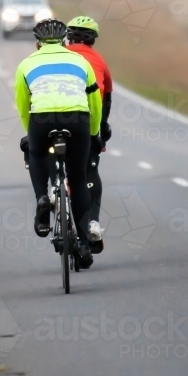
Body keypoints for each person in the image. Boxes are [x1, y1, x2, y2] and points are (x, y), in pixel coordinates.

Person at [15, 18, 102, 270]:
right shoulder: (81, 61)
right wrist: (94, 130)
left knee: (38, 155)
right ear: (65, 41)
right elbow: (94, 100)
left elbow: (23, 104)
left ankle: (43, 198)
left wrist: (30, 134)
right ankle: (84, 246)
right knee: (77, 178)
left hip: (41, 120)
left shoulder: (26, 64)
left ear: (37, 43)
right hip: (77, 118)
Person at [64, 16, 112, 253]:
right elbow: (106, 97)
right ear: (93, 39)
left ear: (68, 37)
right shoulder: (98, 60)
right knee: (88, 171)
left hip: (50, 119)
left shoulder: (59, 57)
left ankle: (51, 193)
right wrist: (102, 128)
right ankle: (92, 221)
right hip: (85, 122)